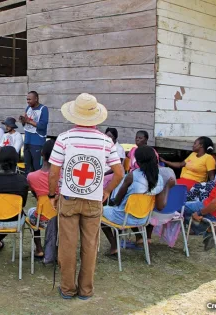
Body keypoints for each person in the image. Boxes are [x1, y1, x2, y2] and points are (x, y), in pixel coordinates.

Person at [48, 93, 124, 300]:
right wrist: (107, 191)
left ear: (74, 115)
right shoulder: (106, 141)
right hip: (93, 200)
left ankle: (67, 289)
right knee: (90, 246)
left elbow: (54, 172)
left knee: (67, 246)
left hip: (69, 198)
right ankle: (86, 290)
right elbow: (120, 173)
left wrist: (52, 194)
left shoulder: (64, 139)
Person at [101, 146, 171, 256]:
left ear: (137, 161)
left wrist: (112, 202)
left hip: (124, 217)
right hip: (143, 219)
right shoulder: (159, 179)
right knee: (129, 209)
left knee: (99, 212)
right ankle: (138, 237)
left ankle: (114, 245)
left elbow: (118, 200)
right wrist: (167, 187)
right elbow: (160, 206)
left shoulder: (132, 176)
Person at [27, 139, 56, 258]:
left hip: (42, 218)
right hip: (60, 219)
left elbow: (37, 196)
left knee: (31, 212)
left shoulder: (31, 177)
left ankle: (39, 249)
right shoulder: (63, 177)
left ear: (41, 154)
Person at [20, 91, 49, 173]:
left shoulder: (43, 109)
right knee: (27, 167)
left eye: (30, 99)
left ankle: (37, 185)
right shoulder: (28, 108)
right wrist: (23, 121)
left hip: (37, 142)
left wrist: (28, 121)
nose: (28, 101)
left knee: (37, 167)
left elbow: (42, 126)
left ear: (36, 99)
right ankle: (27, 184)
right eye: (27, 99)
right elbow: (25, 125)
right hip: (27, 141)